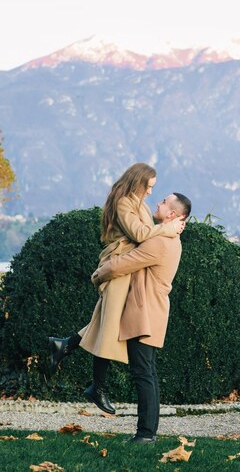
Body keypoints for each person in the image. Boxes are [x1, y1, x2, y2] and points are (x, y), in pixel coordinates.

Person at [48, 163, 184, 414]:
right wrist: (167, 228)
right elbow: (141, 233)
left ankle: (66, 346)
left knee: (105, 323)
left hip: (128, 269)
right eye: (150, 186)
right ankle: (96, 386)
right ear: (138, 181)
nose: (152, 193)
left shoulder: (139, 203)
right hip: (120, 266)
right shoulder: (123, 201)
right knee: (108, 325)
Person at [91, 192, 192, 444]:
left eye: (163, 202)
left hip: (145, 314)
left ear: (172, 214)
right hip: (148, 311)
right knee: (146, 372)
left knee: (143, 373)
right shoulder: (166, 236)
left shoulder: (161, 242)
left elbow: (120, 265)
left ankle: (146, 434)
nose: (157, 203)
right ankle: (147, 433)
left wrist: (97, 275)